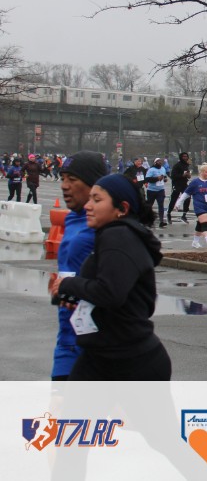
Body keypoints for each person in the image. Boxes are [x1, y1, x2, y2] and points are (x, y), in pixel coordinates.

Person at [47, 173, 171, 380]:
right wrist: (76, 296)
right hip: (102, 357)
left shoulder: (118, 236)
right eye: (89, 199)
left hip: (131, 363)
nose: (88, 206)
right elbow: (133, 299)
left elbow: (110, 293)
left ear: (122, 208)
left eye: (97, 200)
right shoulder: (115, 235)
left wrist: (69, 285)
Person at [50, 151, 102, 380]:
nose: (64, 186)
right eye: (63, 178)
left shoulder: (106, 224)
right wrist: (60, 289)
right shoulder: (72, 218)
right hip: (66, 336)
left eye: (72, 179)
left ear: (94, 185)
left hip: (94, 344)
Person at [175, 163, 207, 249]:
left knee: (200, 224)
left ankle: (195, 242)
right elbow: (186, 193)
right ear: (201, 172)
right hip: (199, 206)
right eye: (206, 172)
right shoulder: (195, 182)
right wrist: (178, 202)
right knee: (205, 222)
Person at [167, 152, 192, 224]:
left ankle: (184, 215)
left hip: (184, 184)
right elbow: (173, 176)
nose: (185, 158)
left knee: (188, 198)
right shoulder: (177, 165)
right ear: (181, 157)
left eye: (186, 156)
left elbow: (187, 175)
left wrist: (188, 175)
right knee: (173, 199)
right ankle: (169, 213)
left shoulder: (186, 165)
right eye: (184, 156)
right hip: (177, 184)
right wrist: (182, 175)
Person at [144, 158, 169, 227]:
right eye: (158, 161)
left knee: (161, 205)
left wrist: (165, 179)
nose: (160, 162)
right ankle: (148, 220)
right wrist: (156, 179)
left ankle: (161, 221)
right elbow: (147, 179)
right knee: (149, 205)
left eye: (160, 161)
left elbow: (164, 176)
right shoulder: (151, 170)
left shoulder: (163, 168)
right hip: (151, 190)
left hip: (160, 190)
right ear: (155, 163)